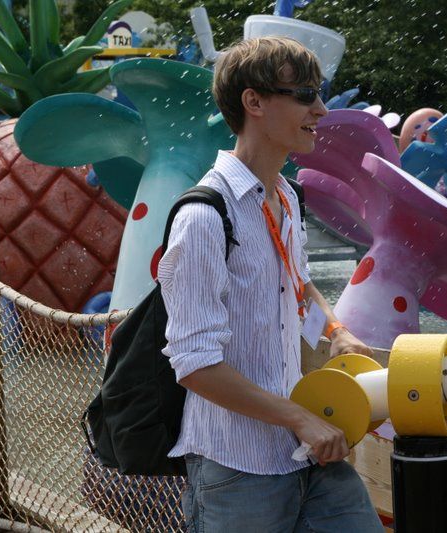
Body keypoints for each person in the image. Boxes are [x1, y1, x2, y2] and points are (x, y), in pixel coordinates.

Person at [158, 37, 382, 532]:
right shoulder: (204, 217)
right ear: (254, 102)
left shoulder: (287, 197)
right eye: (304, 95)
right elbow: (194, 365)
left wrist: (336, 331)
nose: (321, 109)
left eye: (319, 94)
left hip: (309, 453)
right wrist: (299, 418)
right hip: (237, 469)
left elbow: (298, 285)